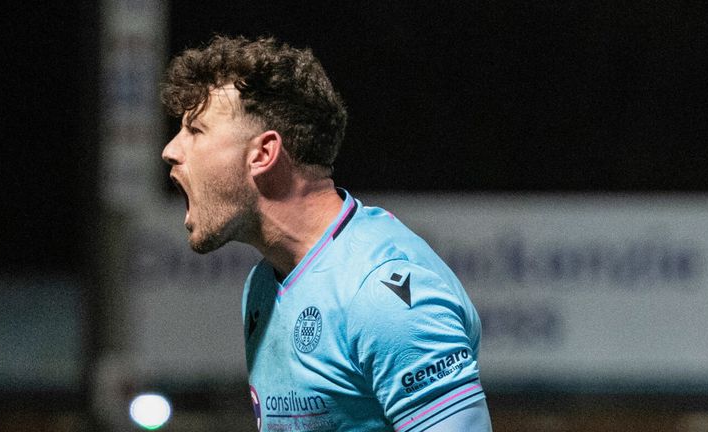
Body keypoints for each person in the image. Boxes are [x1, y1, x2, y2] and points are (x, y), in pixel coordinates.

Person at [161, 35, 492, 432]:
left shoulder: (381, 295)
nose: (171, 149)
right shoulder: (264, 285)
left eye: (196, 130)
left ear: (263, 155)